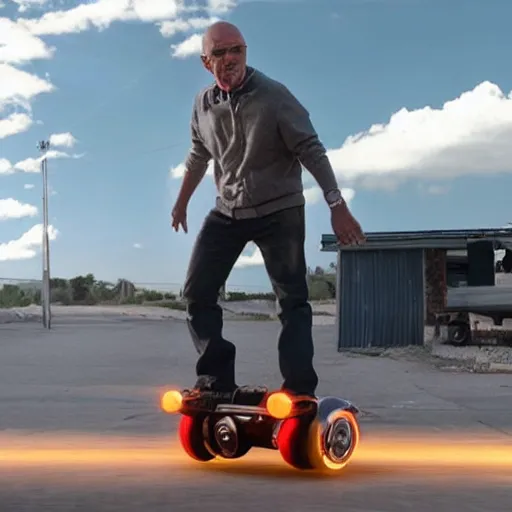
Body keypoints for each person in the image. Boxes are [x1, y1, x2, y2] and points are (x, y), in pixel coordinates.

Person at [171, 21, 365, 398]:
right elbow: (198, 154)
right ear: (204, 62)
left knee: (292, 299)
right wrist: (181, 202)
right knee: (197, 292)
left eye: (237, 50)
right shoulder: (202, 104)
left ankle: (298, 390)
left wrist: (336, 204)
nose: (231, 59)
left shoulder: (274, 96)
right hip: (228, 210)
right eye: (221, 53)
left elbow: (311, 148)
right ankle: (215, 382)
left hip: (279, 210)